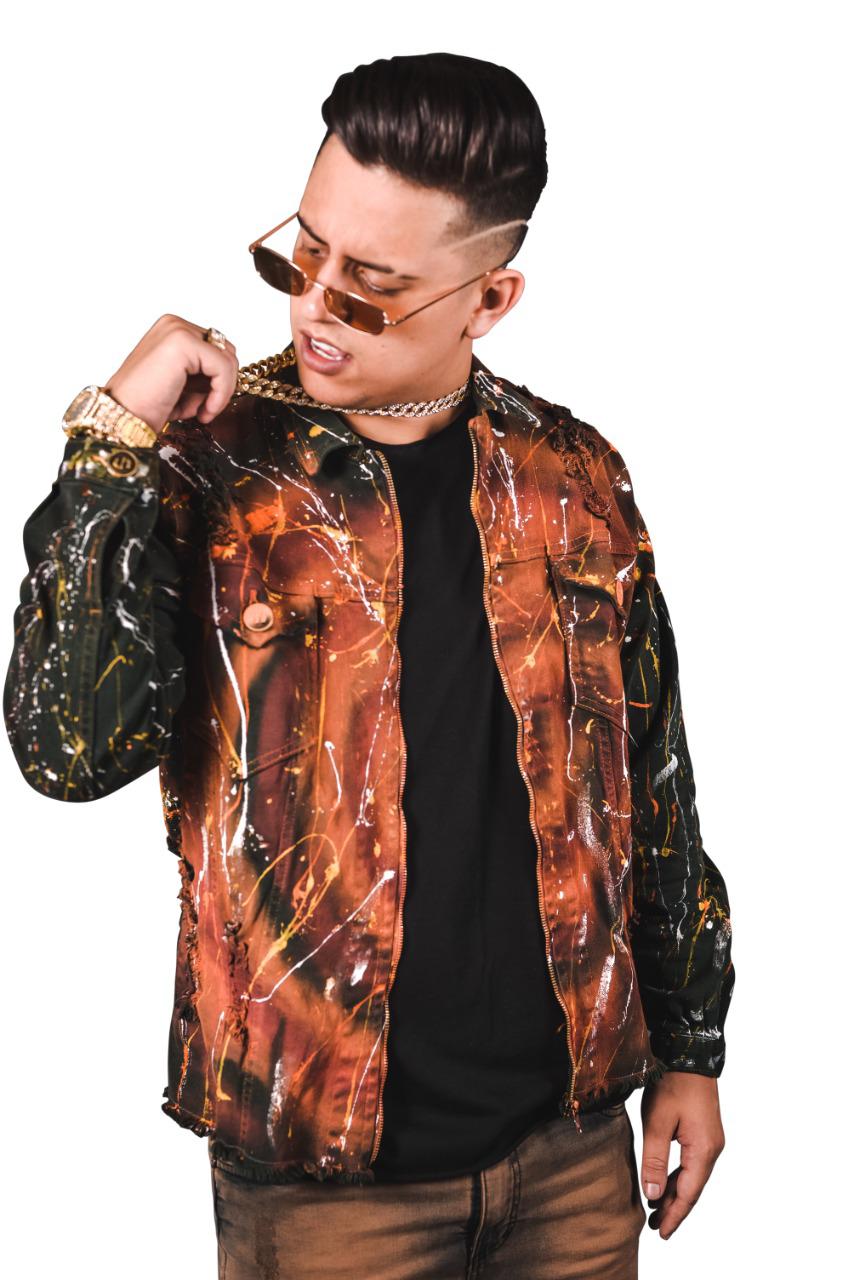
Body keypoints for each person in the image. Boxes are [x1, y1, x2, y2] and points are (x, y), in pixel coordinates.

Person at [3, 51, 734, 1280]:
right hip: (323, 1182)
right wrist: (111, 441)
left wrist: (692, 1047)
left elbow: (650, 782)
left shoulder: (572, 478)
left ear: (489, 298)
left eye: (371, 290)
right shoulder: (204, 468)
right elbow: (65, 747)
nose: (313, 310)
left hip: (570, 1153)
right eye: (303, 255)